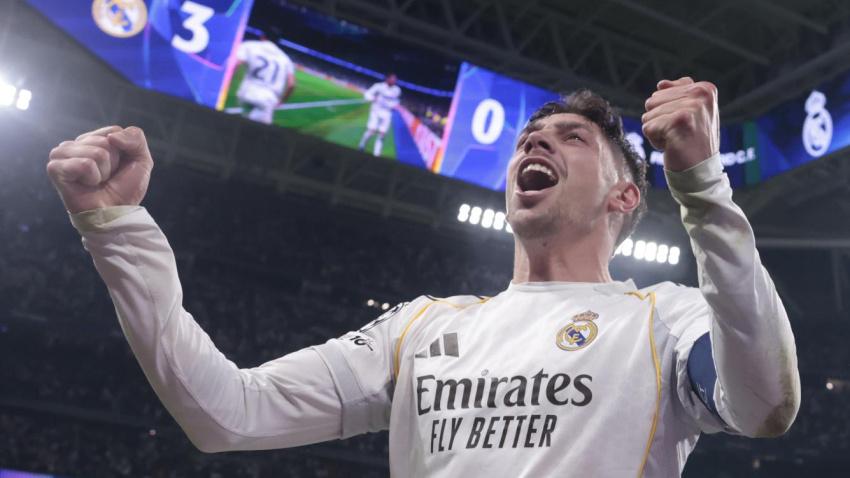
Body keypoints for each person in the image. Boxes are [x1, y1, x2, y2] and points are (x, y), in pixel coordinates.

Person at [46, 77, 799, 477]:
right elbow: (226, 415)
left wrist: (702, 186)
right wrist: (116, 232)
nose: (539, 141)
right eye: (533, 137)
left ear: (623, 196)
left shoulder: (663, 317)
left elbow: (766, 403)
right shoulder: (420, 328)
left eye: (572, 139)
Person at [234, 31, 296, 125]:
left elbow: (236, 64)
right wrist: (282, 101)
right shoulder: (286, 59)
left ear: (263, 37)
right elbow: (291, 84)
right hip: (267, 99)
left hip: (246, 92)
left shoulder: (249, 45)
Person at [358, 73, 401, 157]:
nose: (394, 81)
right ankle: (362, 145)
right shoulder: (378, 86)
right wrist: (372, 98)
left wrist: (392, 105)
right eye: (392, 79)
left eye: (395, 79)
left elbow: (396, 101)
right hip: (376, 111)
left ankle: (376, 153)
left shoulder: (397, 90)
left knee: (382, 133)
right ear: (387, 79)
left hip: (387, 113)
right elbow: (367, 94)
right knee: (371, 130)